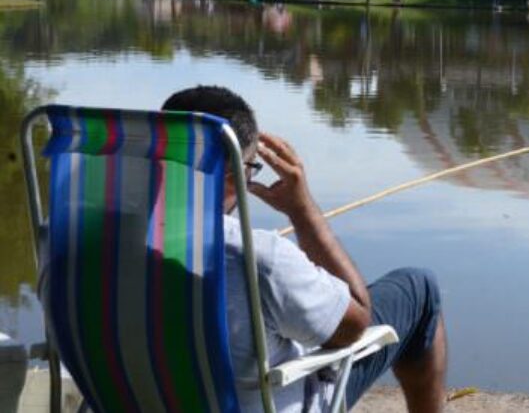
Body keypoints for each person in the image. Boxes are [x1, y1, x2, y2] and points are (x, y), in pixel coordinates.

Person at [161, 86, 447, 413]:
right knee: (420, 288)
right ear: (233, 177)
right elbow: (354, 326)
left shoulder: (96, 243)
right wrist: (302, 211)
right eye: (252, 167)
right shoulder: (257, 257)